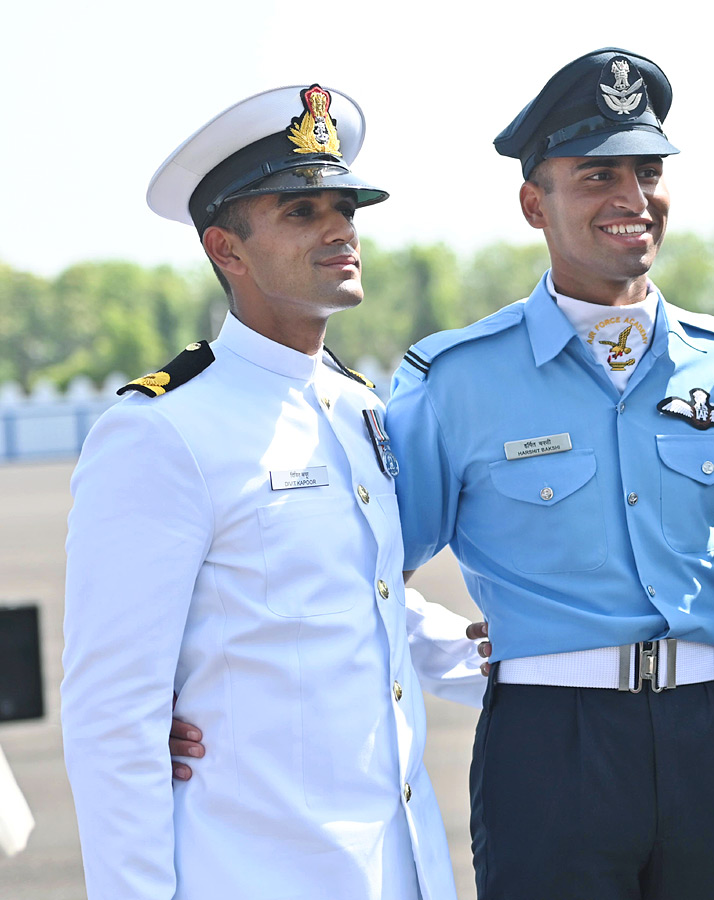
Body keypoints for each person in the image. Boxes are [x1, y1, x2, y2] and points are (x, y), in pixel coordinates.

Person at [61, 84, 486, 900]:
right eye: (301, 212)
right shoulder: (163, 432)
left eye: (346, 207)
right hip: (255, 873)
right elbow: (115, 718)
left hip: (399, 870)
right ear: (227, 249)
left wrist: (524, 655)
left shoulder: (360, 406)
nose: (340, 229)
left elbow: (366, 600)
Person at [385, 48, 714, 899]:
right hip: (547, 747)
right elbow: (368, 572)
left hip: (711, 733)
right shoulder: (453, 381)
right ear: (535, 202)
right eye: (599, 175)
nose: (633, 199)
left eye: (649, 171)